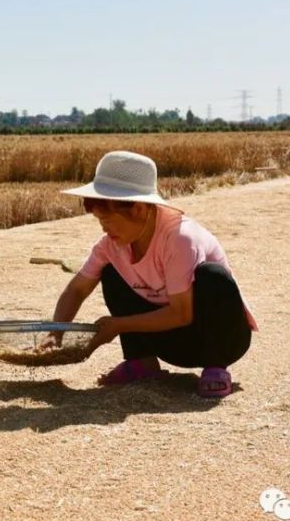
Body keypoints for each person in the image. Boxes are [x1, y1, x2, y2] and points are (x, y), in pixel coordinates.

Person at [49, 151, 257, 398]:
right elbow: (77, 289)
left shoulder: (180, 238)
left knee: (211, 276)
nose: (104, 227)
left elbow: (182, 313)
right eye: (99, 220)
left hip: (219, 339)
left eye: (108, 219)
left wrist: (117, 326)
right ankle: (142, 362)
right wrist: (55, 334)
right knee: (111, 272)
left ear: (138, 209)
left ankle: (215, 368)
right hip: (168, 341)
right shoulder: (111, 245)